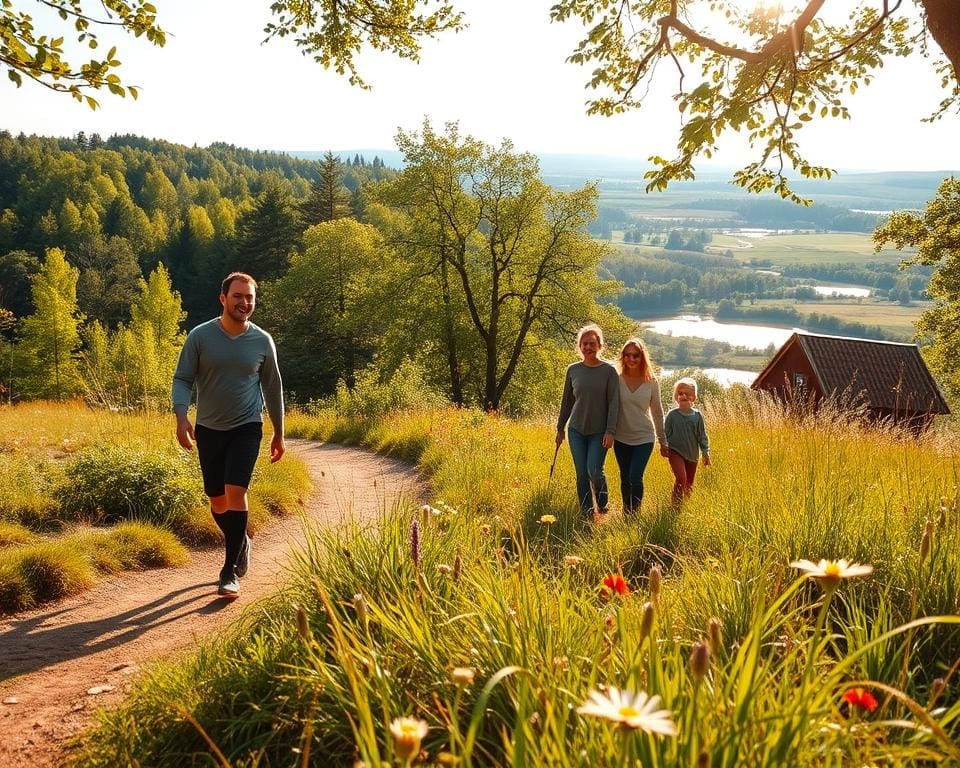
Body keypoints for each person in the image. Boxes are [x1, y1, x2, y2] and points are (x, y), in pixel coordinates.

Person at [171, 272, 285, 598]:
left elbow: (273, 387)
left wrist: (279, 432)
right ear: (223, 298)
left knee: (236, 492)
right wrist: (181, 416)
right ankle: (241, 539)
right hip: (209, 428)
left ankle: (228, 571)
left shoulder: (262, 341)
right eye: (238, 296)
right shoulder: (200, 336)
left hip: (247, 427)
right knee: (217, 500)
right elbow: (182, 379)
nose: (244, 303)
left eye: (249, 297)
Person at [556, 324, 620, 519]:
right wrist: (560, 428)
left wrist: (610, 431)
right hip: (576, 430)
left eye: (592, 343)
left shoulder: (609, 371)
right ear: (580, 346)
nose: (588, 347)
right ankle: (587, 512)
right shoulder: (573, 370)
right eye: (584, 344)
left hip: (599, 432)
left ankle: (603, 506)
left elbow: (614, 403)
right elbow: (567, 402)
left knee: (594, 470)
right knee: (582, 473)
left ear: (600, 345)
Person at [613, 338, 668, 515]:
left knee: (635, 477)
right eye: (627, 355)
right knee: (624, 477)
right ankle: (626, 513)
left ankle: (635, 514)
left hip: (644, 437)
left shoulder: (651, 381)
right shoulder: (616, 379)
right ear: (623, 357)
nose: (631, 359)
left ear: (642, 356)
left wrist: (663, 440)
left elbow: (657, 412)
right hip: (620, 437)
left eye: (635, 355)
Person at [663, 376, 710, 505]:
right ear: (676, 397)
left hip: (692, 455)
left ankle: (686, 506)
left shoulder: (697, 416)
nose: (683, 396)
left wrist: (705, 452)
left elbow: (702, 435)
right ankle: (675, 506)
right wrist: (664, 446)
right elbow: (665, 433)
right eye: (680, 393)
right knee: (681, 478)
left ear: (693, 397)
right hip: (675, 451)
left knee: (689, 484)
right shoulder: (672, 415)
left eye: (687, 394)